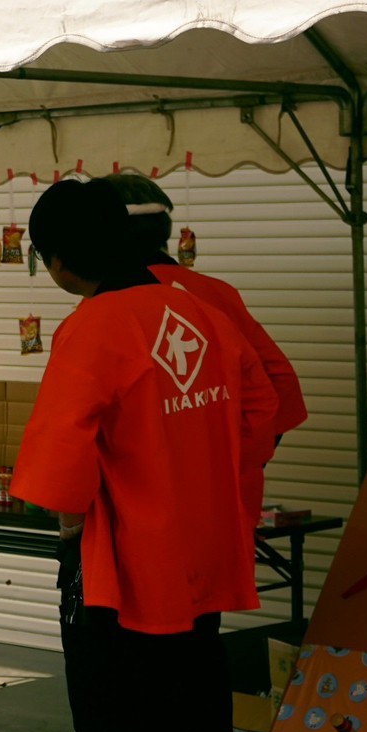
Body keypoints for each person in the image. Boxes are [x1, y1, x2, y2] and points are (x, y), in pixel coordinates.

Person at [9, 179, 277, 732]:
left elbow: (58, 468)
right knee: (194, 695)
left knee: (121, 726)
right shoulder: (198, 311)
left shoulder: (91, 327)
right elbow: (262, 410)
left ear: (57, 261)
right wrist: (206, 473)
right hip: (204, 546)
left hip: (123, 566)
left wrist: (70, 526)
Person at [104, 173, 308, 504]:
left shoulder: (110, 303)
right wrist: (243, 458)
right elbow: (279, 381)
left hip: (145, 501)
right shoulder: (217, 293)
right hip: (225, 495)